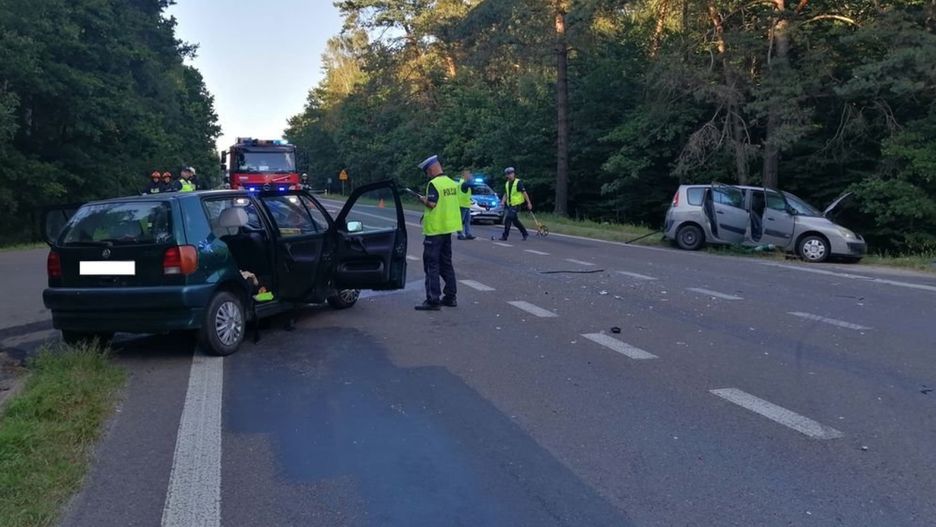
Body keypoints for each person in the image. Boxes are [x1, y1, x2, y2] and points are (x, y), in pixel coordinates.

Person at [413, 155, 462, 311]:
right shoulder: (451, 183)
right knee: (446, 264)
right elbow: (445, 205)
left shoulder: (434, 184)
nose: (427, 174)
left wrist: (422, 200)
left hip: (434, 231)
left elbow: (432, 203)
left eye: (427, 171)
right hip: (447, 229)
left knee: (431, 265)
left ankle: (433, 300)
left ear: (433, 168)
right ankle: (450, 297)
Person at [498, 166, 532, 241]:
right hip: (510, 204)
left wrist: (529, 203)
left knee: (508, 218)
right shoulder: (507, 183)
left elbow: (524, 193)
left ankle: (505, 236)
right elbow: (506, 193)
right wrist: (503, 201)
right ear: (506, 175)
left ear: (514, 174)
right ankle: (525, 233)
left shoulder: (518, 182)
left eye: (511, 173)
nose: (510, 175)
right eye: (508, 174)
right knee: (515, 221)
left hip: (517, 204)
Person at [456, 169, 475, 240]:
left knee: (467, 221)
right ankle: (460, 234)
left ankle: (468, 234)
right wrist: (472, 179)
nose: (470, 175)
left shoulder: (464, 183)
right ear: (464, 176)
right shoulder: (464, 183)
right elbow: (472, 184)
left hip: (466, 205)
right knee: (460, 220)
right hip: (462, 205)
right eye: (468, 174)